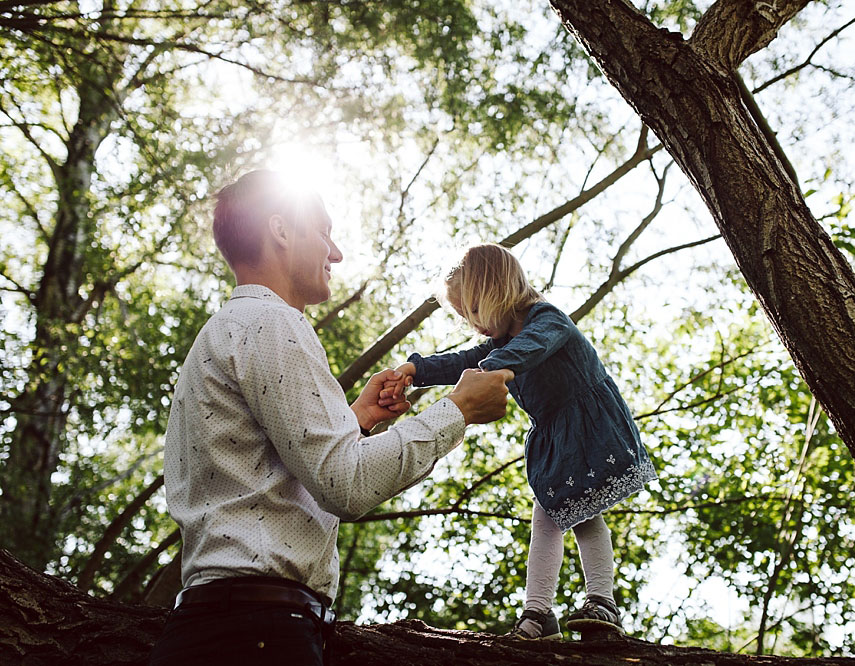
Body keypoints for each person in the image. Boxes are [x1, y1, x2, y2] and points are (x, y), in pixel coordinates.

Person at [149, 171, 514, 666]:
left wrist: (357, 420)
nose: (336, 252)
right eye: (323, 231)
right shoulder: (274, 322)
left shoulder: (227, 330)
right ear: (280, 231)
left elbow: (265, 472)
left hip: (224, 625)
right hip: (256, 634)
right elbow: (346, 485)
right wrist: (458, 410)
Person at [381, 243, 657, 639]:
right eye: (464, 316)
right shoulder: (497, 343)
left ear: (494, 291)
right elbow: (466, 358)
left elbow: (529, 348)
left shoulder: (547, 319)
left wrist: (486, 371)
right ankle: (542, 614)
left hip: (587, 429)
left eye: (473, 311)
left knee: (581, 515)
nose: (474, 324)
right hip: (556, 437)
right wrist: (416, 369)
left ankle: (594, 604)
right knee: (553, 518)